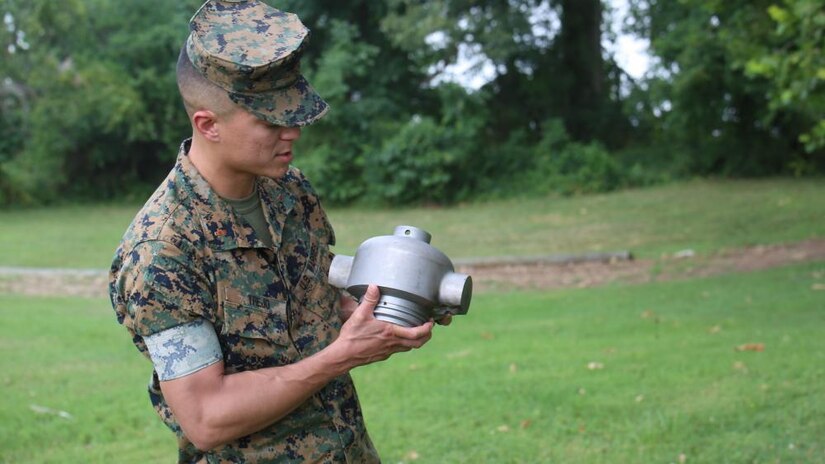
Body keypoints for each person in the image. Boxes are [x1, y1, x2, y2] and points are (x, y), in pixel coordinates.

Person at [108, 1, 444, 462]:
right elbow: (206, 417)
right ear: (208, 125)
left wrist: (385, 307)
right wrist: (343, 355)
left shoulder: (288, 191)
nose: (293, 132)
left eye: (294, 113)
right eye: (271, 121)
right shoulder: (163, 252)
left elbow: (311, 307)